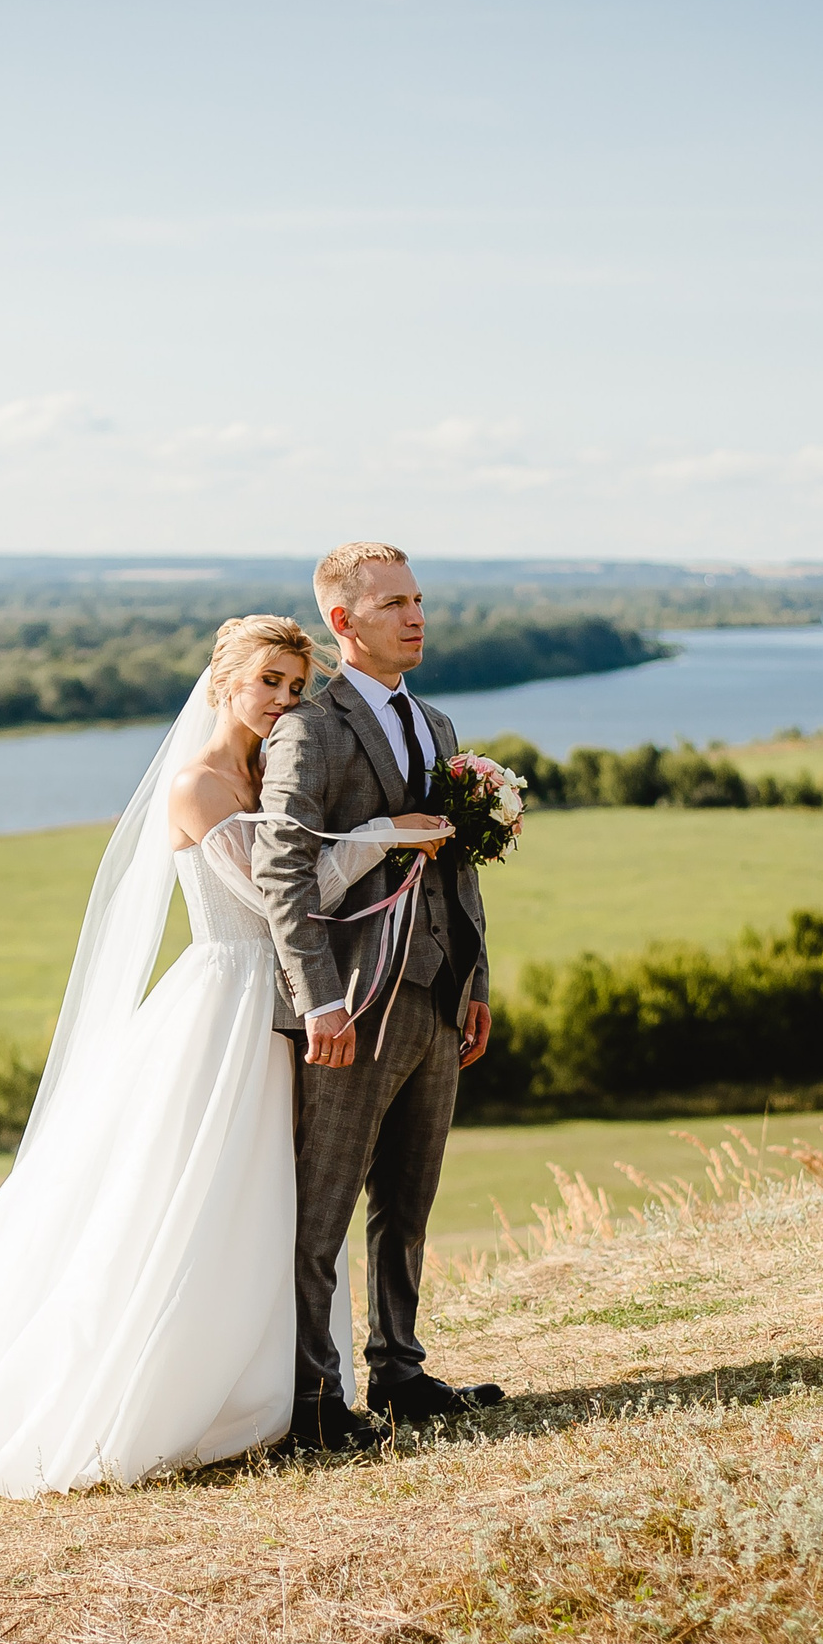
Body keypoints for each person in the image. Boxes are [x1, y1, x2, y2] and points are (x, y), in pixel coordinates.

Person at [0, 613, 449, 1504]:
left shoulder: (276, 773)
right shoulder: (200, 784)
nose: (285, 702)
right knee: (207, 1196)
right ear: (224, 682)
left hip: (288, 1004)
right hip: (232, 1004)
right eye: (269, 683)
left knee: (287, 1204)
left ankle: (291, 1392)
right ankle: (176, 1391)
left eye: (297, 688)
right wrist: (379, 839)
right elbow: (271, 900)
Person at [254, 542, 504, 1453]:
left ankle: (399, 1368)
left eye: (419, 599)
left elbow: (460, 863)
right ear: (343, 621)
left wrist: (474, 978)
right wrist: (317, 1000)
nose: (416, 615)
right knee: (319, 1211)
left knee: (410, 1197)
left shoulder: (434, 723)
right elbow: (281, 868)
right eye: (394, 602)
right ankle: (314, 1401)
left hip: (439, 998)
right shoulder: (309, 730)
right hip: (351, 1011)